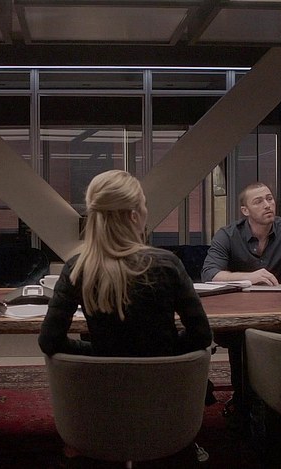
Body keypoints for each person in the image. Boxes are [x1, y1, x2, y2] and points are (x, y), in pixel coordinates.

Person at [38, 170, 213, 463]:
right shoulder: (168, 265)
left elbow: (49, 341)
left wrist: (100, 354)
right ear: (134, 216)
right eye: (144, 205)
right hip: (166, 400)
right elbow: (201, 336)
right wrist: (164, 353)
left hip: (101, 402)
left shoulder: (77, 268)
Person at [201, 182, 281, 435]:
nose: (268, 204)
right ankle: (245, 405)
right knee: (241, 340)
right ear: (245, 210)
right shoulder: (228, 235)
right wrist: (249, 277)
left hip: (274, 310)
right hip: (237, 313)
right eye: (258, 201)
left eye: (269, 198)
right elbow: (209, 273)